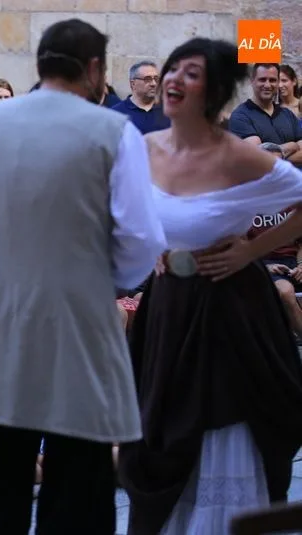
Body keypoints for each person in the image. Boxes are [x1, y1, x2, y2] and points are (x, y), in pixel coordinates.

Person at [0, 19, 167, 533]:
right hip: (79, 314)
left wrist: (8, 266)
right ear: (94, 68)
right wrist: (96, 277)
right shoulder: (112, 131)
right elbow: (140, 238)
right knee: (78, 476)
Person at [116, 39, 302, 533]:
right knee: (165, 419)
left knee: (221, 412)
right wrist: (154, 243)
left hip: (230, 306)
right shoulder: (145, 148)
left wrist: (252, 250)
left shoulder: (237, 155)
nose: (174, 80)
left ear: (214, 91)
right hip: (169, 305)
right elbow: (127, 209)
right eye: (173, 69)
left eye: (191, 73)